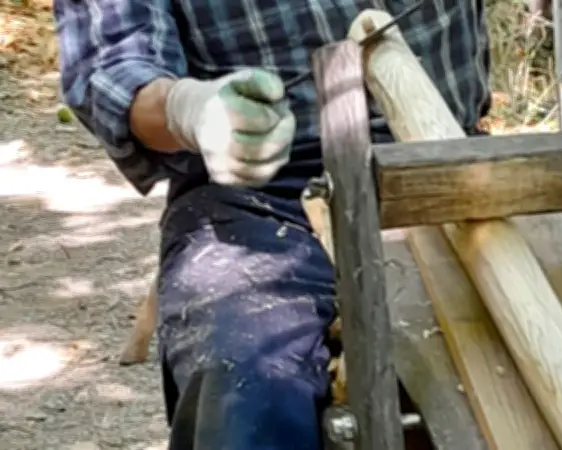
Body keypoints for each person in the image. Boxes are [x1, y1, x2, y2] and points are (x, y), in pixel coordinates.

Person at [53, 1, 491, 448]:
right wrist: (191, 110)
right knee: (249, 382)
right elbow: (115, 68)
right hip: (260, 185)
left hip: (455, 160)